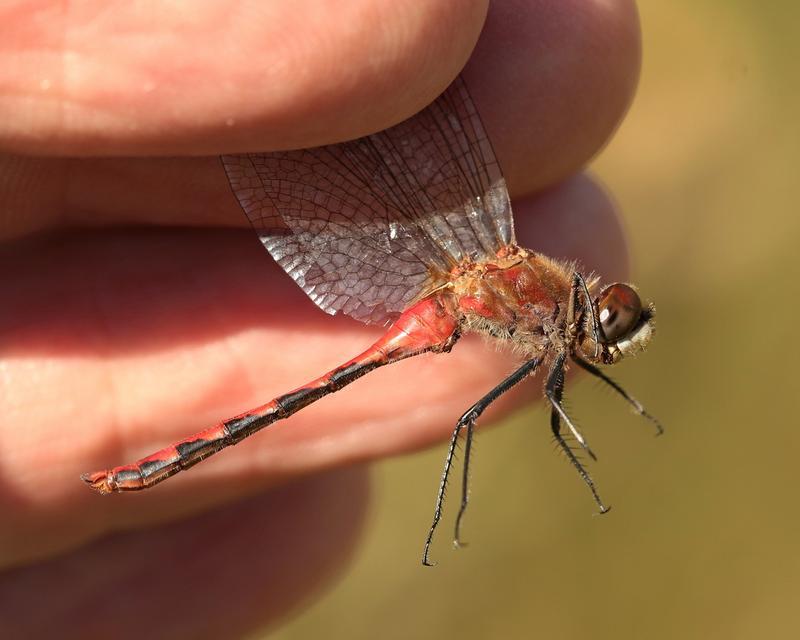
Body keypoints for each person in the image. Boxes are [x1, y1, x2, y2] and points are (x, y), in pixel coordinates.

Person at [0, 1, 640, 636]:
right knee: (462, 421)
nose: (606, 327)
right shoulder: (542, 307)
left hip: (450, 289)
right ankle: (144, 472)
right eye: (613, 321)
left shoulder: (541, 306)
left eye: (612, 321)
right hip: (447, 295)